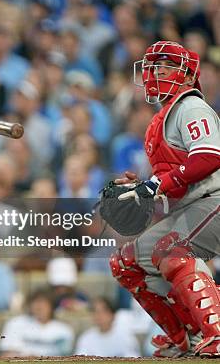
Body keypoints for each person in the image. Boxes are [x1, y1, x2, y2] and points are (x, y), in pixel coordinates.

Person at [110, 41, 220, 357]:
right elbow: (173, 179)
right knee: (126, 262)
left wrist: (160, 183)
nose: (155, 73)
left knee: (171, 251)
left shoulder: (191, 106)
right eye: (153, 66)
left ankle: (216, 331)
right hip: (194, 206)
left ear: (186, 76)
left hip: (214, 200)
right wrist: (142, 186)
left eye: (165, 66)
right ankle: (187, 337)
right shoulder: (164, 116)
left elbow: (209, 157)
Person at [0, 289, 74, 357]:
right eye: (36, 302)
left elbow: (65, 356)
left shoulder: (64, 330)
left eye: (44, 303)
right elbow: (6, 354)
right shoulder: (15, 323)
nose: (39, 306)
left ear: (52, 306)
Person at [75, 297, 140, 357]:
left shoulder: (126, 337)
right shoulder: (86, 337)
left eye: (103, 311)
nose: (98, 315)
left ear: (113, 314)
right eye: (95, 311)